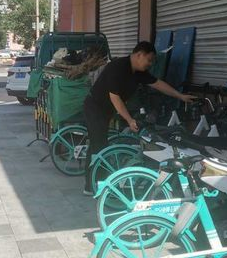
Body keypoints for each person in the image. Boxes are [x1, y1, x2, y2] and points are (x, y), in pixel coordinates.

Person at [83, 41, 195, 194]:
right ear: (139, 54)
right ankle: (93, 186)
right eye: (149, 60)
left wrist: (180, 96)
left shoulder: (138, 72)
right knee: (98, 146)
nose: (150, 64)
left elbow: (158, 83)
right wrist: (129, 120)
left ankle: (95, 183)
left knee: (99, 144)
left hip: (106, 110)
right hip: (95, 108)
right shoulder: (118, 67)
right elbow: (115, 98)